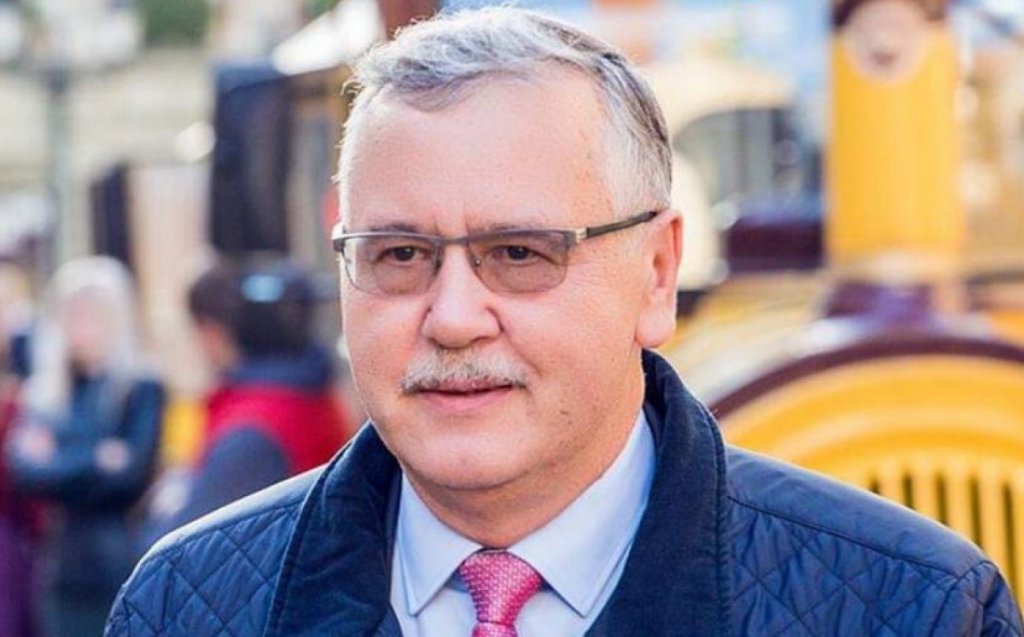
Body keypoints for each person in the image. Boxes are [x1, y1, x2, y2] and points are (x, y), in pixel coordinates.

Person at [106, 8, 1023, 636]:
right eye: (399, 254)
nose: (454, 318)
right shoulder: (185, 605)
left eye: (519, 253)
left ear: (657, 273)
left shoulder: (916, 608)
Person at [5, 256, 165, 637]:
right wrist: (97, 457)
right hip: (61, 568)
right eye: (73, 316)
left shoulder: (140, 387)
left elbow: (130, 476)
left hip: (119, 562)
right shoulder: (47, 391)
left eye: (93, 315)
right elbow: (25, 473)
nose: (82, 328)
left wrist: (61, 459)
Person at [142, 259, 353, 543]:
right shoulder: (313, 393)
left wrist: (166, 505)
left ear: (217, 332)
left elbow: (181, 548)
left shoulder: (251, 427)